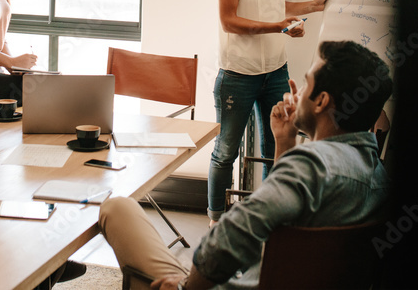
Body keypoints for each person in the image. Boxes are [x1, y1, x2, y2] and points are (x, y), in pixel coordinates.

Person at [99, 40, 392, 290]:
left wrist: (186, 286)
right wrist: (284, 143)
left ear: (321, 101)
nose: (296, 91)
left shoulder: (311, 165)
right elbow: (286, 223)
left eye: (306, 83)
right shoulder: (380, 176)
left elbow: (231, 236)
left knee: (117, 208)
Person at [208, 0, 336, 223]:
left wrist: (312, 5)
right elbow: (229, 21)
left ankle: (269, 216)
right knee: (225, 152)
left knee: (277, 146)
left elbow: (277, 7)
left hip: (276, 71)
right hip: (238, 74)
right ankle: (215, 220)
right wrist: (277, 28)